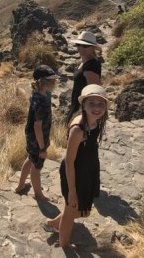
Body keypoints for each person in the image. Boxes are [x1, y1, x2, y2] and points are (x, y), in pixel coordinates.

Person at [44, 84, 109, 248]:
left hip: (87, 170)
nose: (96, 108)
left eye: (101, 104)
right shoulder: (78, 129)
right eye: (91, 103)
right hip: (75, 173)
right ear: (83, 105)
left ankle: (53, 223)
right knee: (71, 210)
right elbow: (69, 161)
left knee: (79, 211)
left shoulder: (95, 122)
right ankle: (64, 245)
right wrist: (72, 191)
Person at [15, 64, 61, 200]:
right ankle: (38, 194)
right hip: (36, 138)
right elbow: (37, 126)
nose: (55, 82)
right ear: (42, 82)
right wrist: (42, 148)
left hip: (34, 136)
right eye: (51, 80)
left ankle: (20, 186)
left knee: (31, 158)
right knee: (37, 166)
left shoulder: (41, 93)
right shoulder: (40, 101)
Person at [67, 30, 102, 122]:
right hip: (77, 105)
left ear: (93, 47)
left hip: (83, 110)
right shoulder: (84, 62)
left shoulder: (91, 65)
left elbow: (94, 92)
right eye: (78, 45)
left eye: (85, 46)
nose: (81, 48)